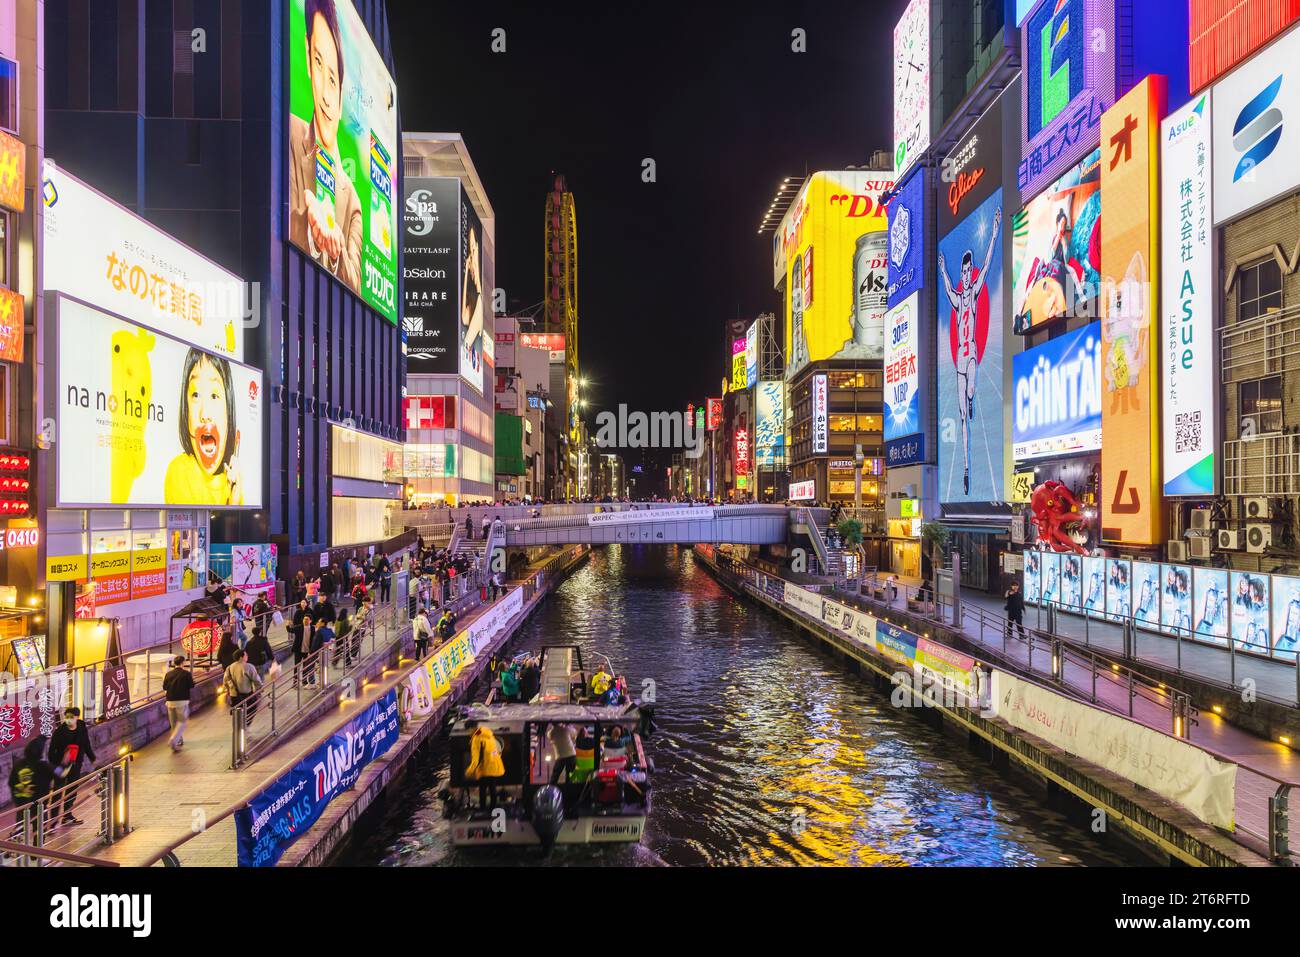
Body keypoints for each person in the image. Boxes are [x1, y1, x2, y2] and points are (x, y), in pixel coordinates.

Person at [289, 0, 364, 293]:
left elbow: (355, 282)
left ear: (343, 93)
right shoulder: (289, 135)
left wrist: (335, 249)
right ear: (308, 58)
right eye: (319, 63)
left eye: (333, 80)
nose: (326, 96)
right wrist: (311, 225)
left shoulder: (353, 201)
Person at [938, 204, 1002, 496]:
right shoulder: (957, 297)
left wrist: (994, 233)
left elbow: (988, 265)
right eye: (963, 271)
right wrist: (942, 269)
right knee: (963, 418)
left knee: (972, 389)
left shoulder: (974, 293)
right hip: (959, 361)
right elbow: (948, 286)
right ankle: (965, 468)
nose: (965, 275)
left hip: (972, 351)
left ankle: (974, 398)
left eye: (966, 270)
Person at [163, 348, 244, 505]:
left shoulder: (234, 483)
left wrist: (235, 501)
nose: (205, 413)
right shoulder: (180, 472)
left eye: (214, 396)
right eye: (195, 395)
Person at [48, 707, 96, 827]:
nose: (68, 720)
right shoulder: (59, 732)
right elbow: (51, 751)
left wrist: (93, 758)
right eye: (67, 717)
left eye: (71, 717)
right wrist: (57, 764)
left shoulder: (81, 726)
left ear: (77, 718)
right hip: (61, 765)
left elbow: (86, 743)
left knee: (72, 789)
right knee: (58, 792)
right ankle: (53, 821)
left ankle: (67, 815)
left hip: (75, 764)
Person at [8, 737, 60, 825]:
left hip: (22, 802)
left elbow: (11, 782)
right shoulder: (43, 766)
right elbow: (60, 772)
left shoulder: (18, 764)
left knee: (21, 826)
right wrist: (67, 761)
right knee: (39, 830)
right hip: (38, 804)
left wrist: (20, 792)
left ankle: (19, 834)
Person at [464, 720, 505, 808]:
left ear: (471, 728)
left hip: (485, 768)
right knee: (492, 788)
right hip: (495, 765)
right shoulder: (487, 733)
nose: (468, 733)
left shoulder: (476, 739)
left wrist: (469, 771)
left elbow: (476, 760)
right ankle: (493, 807)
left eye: (467, 730)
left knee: (482, 789)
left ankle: (483, 808)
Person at [163, 656, 195, 752]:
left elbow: (165, 687)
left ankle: (178, 740)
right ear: (182, 663)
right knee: (182, 721)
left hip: (169, 701)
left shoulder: (168, 674)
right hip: (181, 701)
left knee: (173, 722)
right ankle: (173, 740)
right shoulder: (186, 674)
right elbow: (191, 685)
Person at [224, 648, 263, 716]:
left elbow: (225, 681)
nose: (247, 656)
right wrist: (259, 689)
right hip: (246, 695)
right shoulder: (249, 666)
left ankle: (239, 725)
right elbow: (256, 680)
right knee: (250, 711)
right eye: (246, 655)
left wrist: (228, 691)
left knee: (237, 714)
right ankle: (246, 725)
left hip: (234, 696)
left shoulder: (229, 667)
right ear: (241, 657)